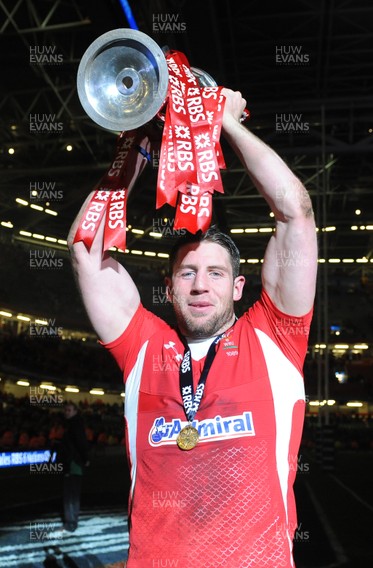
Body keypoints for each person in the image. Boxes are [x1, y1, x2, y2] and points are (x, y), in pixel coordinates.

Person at [68, 89, 317, 567]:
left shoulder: (274, 337)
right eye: (187, 273)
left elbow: (295, 213)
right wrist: (137, 144)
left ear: (239, 286)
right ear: (169, 286)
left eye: (215, 273)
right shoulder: (145, 348)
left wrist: (225, 125)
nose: (201, 285)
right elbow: (85, 250)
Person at [59, 401, 90, 532]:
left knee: (70, 494)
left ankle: (71, 522)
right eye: (65, 410)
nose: (67, 412)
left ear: (75, 411)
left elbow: (80, 443)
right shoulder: (73, 424)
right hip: (74, 462)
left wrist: (85, 458)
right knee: (73, 493)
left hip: (73, 463)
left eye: (69, 410)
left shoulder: (74, 425)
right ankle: (72, 520)